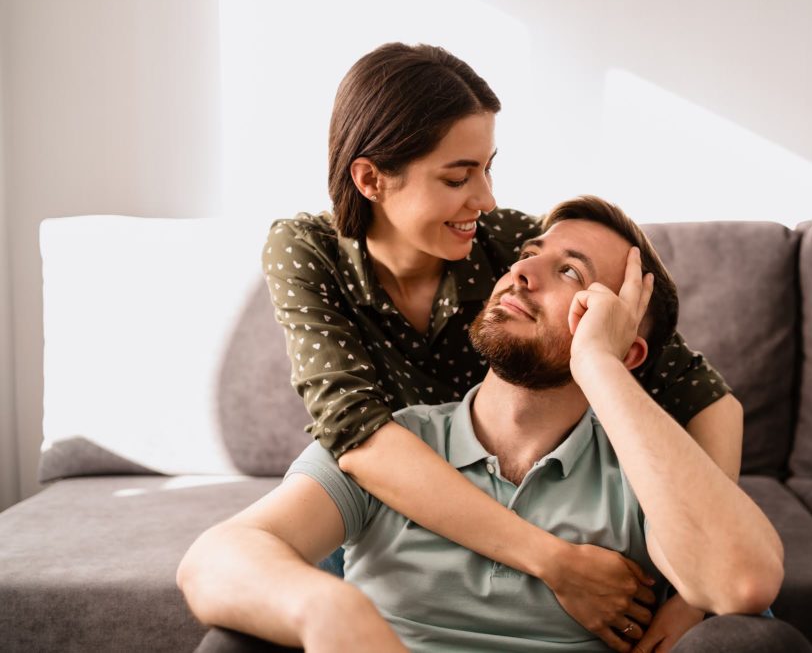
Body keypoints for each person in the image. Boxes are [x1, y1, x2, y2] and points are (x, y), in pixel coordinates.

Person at [257, 43, 744, 648]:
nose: (484, 198)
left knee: (750, 626)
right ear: (370, 178)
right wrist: (553, 561)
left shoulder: (508, 242)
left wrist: (690, 600)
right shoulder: (307, 251)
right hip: (394, 521)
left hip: (543, 496)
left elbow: (708, 398)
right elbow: (355, 436)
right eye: (458, 177)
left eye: (488, 167)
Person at [178, 196, 786, 652]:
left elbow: (742, 583)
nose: (522, 273)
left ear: (627, 349)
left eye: (571, 273)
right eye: (527, 256)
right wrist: (327, 609)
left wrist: (598, 365)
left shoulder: (643, 472)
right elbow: (213, 560)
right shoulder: (402, 444)